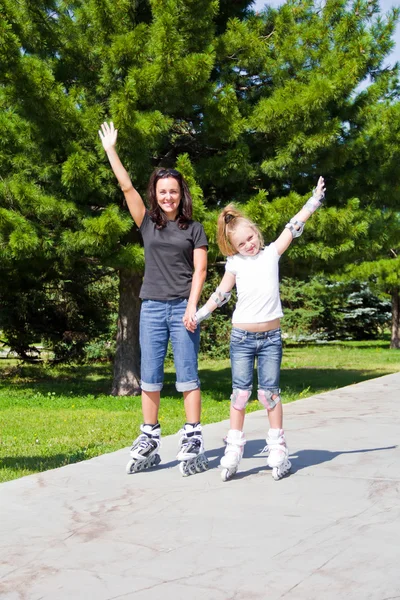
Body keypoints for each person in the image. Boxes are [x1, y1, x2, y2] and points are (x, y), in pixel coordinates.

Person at [192, 177, 326, 481]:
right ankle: (234, 447)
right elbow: (221, 295)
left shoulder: (271, 253)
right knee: (239, 395)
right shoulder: (234, 264)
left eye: (251, 237)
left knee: (269, 394)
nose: (249, 244)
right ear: (233, 246)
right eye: (242, 243)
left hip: (271, 339)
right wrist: (198, 315)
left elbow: (293, 226)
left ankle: (278, 445)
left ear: (257, 232)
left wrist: (314, 200)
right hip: (241, 338)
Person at [98, 121, 209, 476]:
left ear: (181, 194)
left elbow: (201, 272)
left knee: (188, 375)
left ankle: (192, 436)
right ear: (156, 194)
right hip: (151, 308)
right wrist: (110, 151)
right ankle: (150, 435)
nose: (168, 197)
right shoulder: (148, 223)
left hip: (182, 308)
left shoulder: (194, 229)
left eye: (173, 191)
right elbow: (126, 186)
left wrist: (192, 307)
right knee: (150, 375)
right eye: (162, 191)